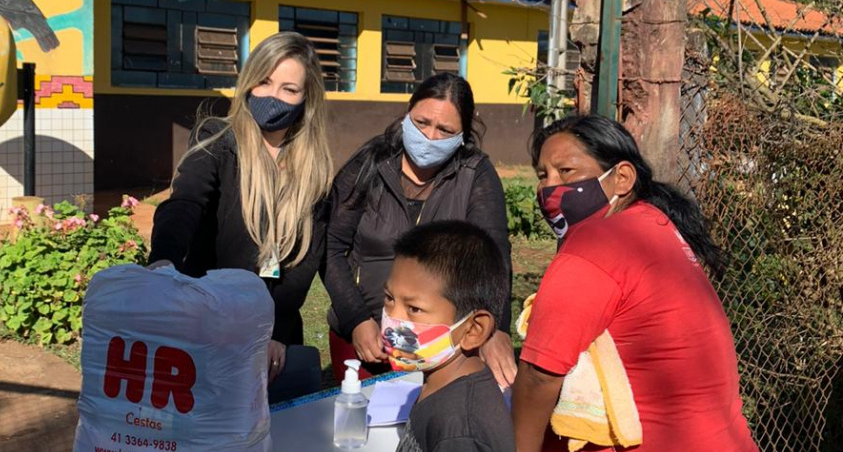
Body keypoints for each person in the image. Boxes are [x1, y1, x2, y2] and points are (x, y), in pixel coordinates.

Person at [512, 115, 758, 452]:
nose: (549, 188)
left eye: (566, 172)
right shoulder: (655, 225)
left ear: (622, 178)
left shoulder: (595, 245)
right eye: (543, 175)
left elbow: (540, 374)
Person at [149, 31, 333, 386]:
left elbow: (309, 255)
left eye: (288, 89)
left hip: (274, 335)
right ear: (248, 82)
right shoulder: (217, 140)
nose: (272, 96)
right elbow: (185, 203)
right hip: (209, 319)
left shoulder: (314, 168)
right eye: (264, 82)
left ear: (306, 98)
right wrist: (164, 258)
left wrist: (275, 329)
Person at [323, 73, 516, 387]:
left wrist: (497, 330)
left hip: (441, 347)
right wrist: (356, 319)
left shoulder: (475, 175)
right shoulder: (369, 165)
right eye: (422, 122)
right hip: (365, 340)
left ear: (463, 134)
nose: (430, 137)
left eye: (445, 130)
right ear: (407, 115)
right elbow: (331, 246)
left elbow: (494, 256)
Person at [386, 221, 515, 452]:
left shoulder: (459, 432)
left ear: (473, 330)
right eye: (389, 299)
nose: (391, 320)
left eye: (414, 309)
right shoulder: (437, 382)